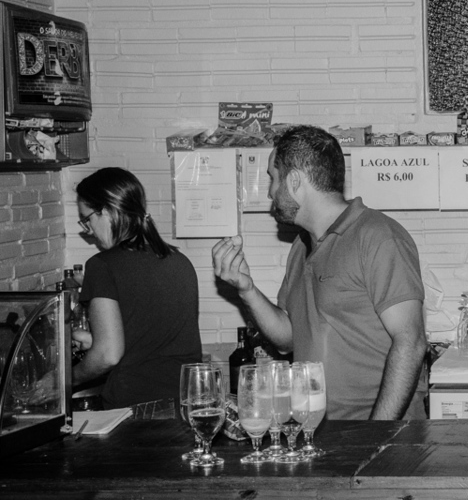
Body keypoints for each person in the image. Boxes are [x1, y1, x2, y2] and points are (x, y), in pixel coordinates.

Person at [211, 125, 426, 421]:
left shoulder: (378, 236)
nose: (270, 192)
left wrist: (374, 435)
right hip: (316, 430)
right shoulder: (301, 247)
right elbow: (287, 339)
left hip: (381, 434)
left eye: (273, 178)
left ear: (294, 181)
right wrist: (246, 289)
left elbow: (411, 343)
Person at [73, 167, 203, 409]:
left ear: (107, 211)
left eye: (87, 220)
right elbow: (155, 340)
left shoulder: (102, 266)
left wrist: (65, 380)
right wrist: (95, 341)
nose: (89, 232)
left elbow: (108, 355)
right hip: (187, 403)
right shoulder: (179, 261)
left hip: (134, 407)